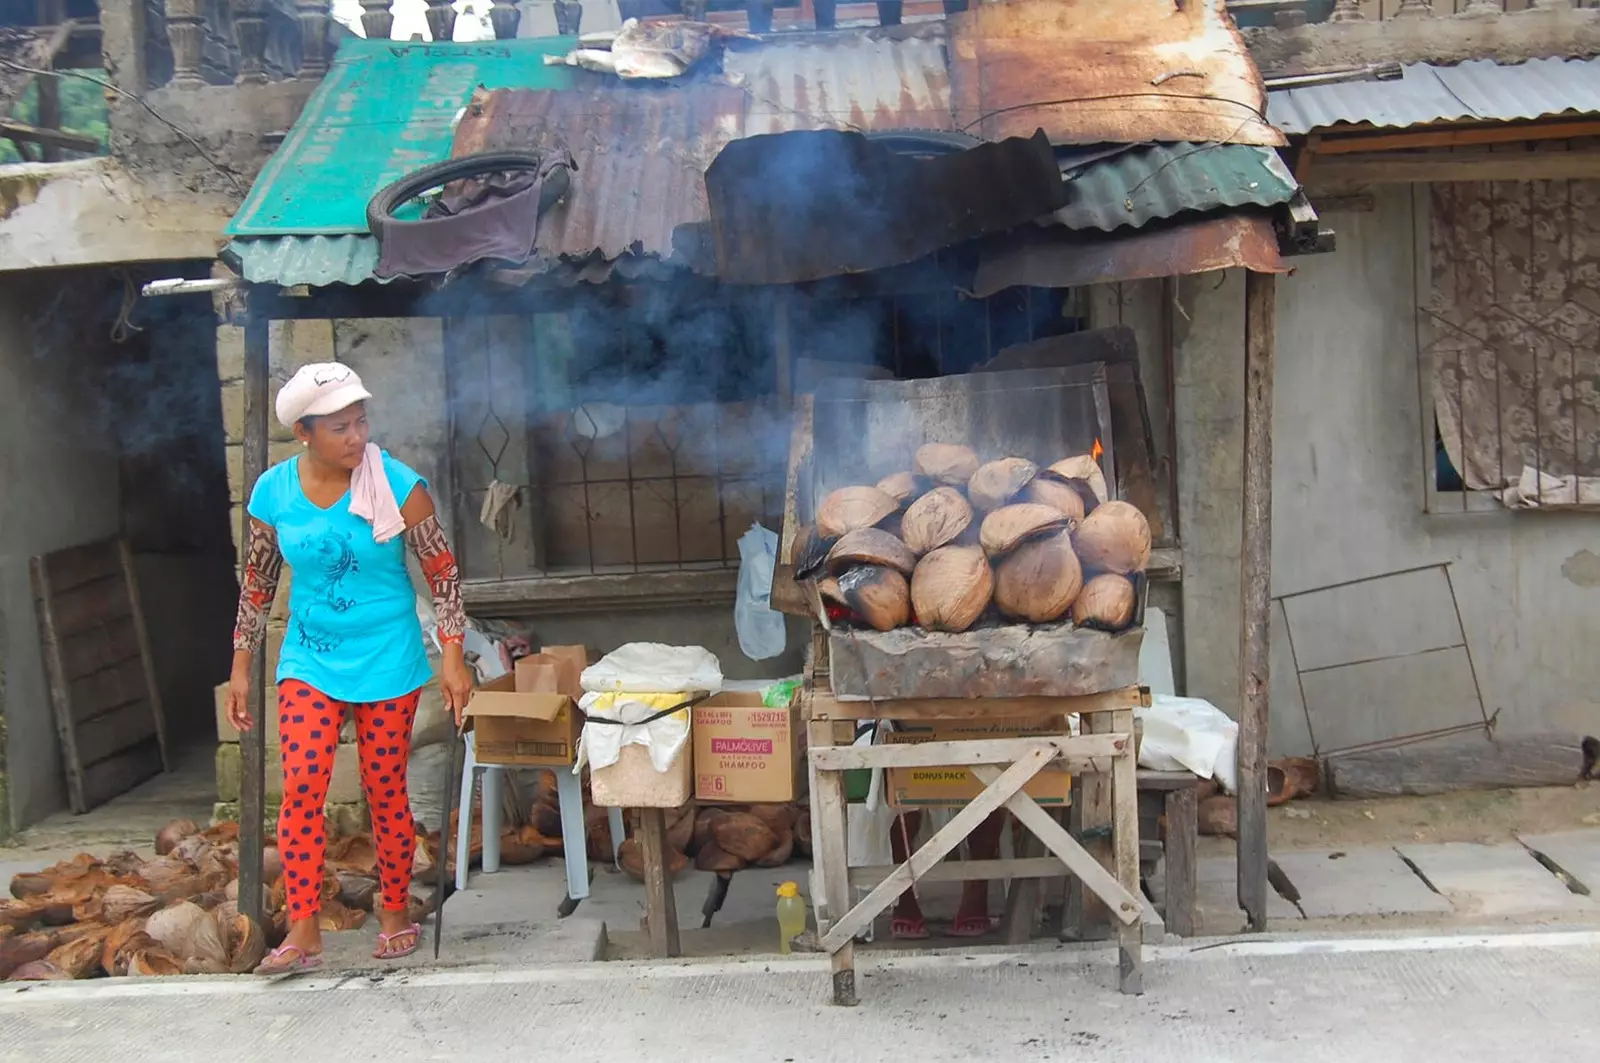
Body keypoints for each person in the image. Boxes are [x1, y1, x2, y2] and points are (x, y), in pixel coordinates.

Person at [225, 362, 474, 974]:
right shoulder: (272, 492)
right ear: (304, 433)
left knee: (383, 790)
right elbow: (257, 583)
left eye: (361, 421)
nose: (357, 436)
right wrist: (240, 665)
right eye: (340, 427)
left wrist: (452, 656)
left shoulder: (398, 484)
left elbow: (442, 574)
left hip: (389, 657)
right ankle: (305, 927)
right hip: (309, 658)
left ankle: (394, 910)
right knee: (303, 789)